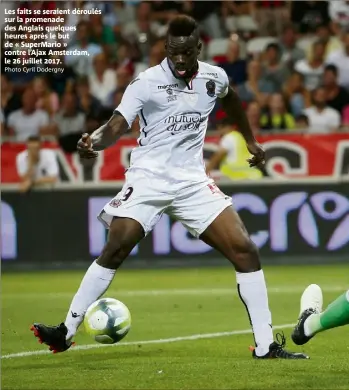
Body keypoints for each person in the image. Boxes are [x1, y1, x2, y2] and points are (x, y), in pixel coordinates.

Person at [31, 15, 308, 360]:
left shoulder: (213, 76)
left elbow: (232, 99)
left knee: (246, 251)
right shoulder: (145, 83)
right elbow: (117, 125)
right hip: (149, 179)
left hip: (192, 182)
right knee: (116, 246)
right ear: (165, 48)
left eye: (187, 53)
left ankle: (266, 346)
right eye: (174, 52)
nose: (180, 59)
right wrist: (94, 141)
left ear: (198, 49)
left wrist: (250, 140)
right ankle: (65, 332)